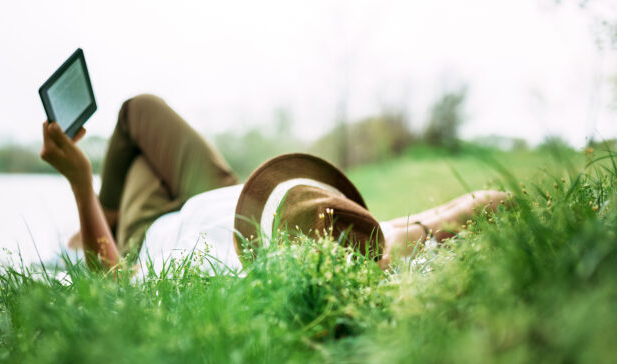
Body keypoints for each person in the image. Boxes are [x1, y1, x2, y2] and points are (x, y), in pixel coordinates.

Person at [40, 94, 509, 273]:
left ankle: (92, 230)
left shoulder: (207, 274)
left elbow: (118, 281)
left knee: (134, 139)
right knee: (139, 111)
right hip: (229, 197)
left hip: (156, 226)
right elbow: (484, 203)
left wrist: (81, 183)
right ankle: (94, 224)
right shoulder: (351, 232)